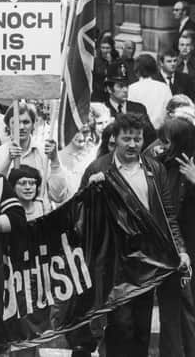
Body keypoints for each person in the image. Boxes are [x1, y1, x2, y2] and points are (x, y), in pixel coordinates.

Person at [79, 113, 190, 357]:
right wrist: (91, 192)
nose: (132, 145)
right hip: (112, 261)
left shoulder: (154, 168)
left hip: (147, 259)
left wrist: (180, 249)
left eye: (137, 139)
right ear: (115, 140)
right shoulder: (98, 168)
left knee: (141, 325)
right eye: (126, 139)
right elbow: (80, 214)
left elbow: (167, 214)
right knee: (121, 324)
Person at [152, 117, 195, 357]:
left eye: (167, 141)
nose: (162, 146)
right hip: (168, 249)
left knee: (190, 311)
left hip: (192, 247)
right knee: (169, 311)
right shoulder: (160, 165)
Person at [0, 102, 69, 205]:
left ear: (33, 125)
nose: (21, 127)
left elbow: (58, 196)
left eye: (26, 122)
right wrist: (8, 160)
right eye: (16, 122)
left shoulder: (44, 153)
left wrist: (54, 161)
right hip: (9, 217)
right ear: (8, 125)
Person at [127, 54, 172, 129]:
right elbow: (170, 111)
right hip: (157, 131)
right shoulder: (164, 88)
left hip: (139, 130)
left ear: (136, 70)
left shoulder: (131, 88)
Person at [91, 35, 119, 102]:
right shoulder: (95, 61)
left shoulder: (117, 62)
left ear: (112, 48)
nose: (105, 50)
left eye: (107, 48)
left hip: (112, 95)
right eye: (103, 48)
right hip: (97, 94)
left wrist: (110, 63)